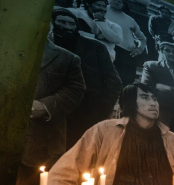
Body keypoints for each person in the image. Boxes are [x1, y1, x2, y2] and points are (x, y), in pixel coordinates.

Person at [46, 83, 174, 185]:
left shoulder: (173, 140)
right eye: (144, 97)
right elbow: (61, 176)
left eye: (154, 99)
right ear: (130, 102)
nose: (153, 103)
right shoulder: (104, 131)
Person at [7, 39, 86, 185]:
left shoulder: (67, 58)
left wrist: (45, 106)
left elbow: (76, 90)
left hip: (40, 143)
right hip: (2, 135)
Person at [51, 8, 122, 149]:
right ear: (53, 23)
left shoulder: (96, 47)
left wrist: (101, 111)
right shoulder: (46, 45)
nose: (66, 27)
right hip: (51, 110)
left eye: (71, 23)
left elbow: (114, 82)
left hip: (86, 112)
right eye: (61, 22)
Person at [105, 0, 147, 85]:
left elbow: (142, 38)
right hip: (105, 48)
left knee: (124, 81)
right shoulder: (101, 10)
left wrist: (140, 49)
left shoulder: (130, 20)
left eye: (120, 1)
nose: (117, 2)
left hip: (125, 54)